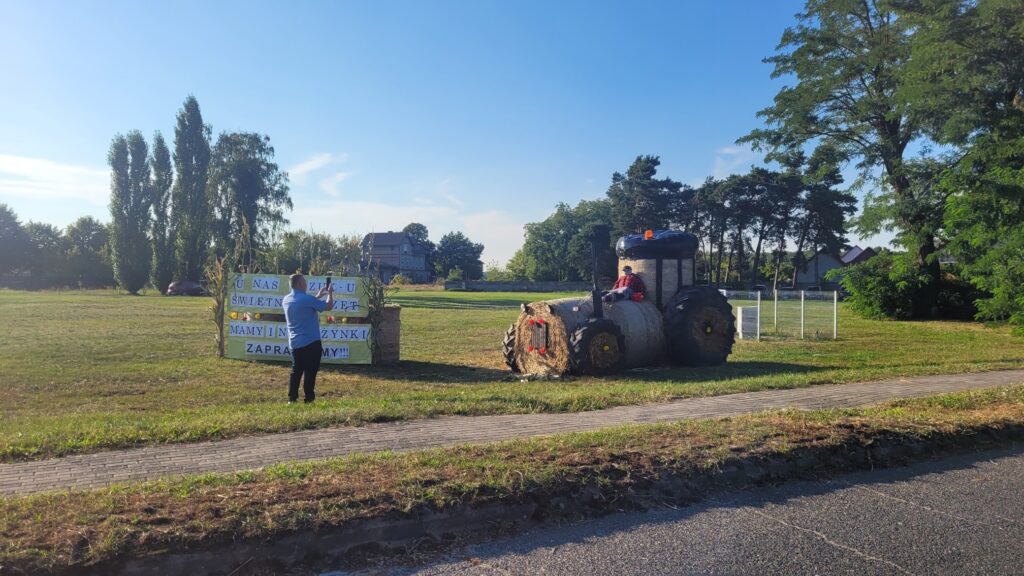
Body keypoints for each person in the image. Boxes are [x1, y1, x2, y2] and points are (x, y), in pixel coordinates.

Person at [282, 274, 334, 404]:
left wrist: (317, 296)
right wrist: (330, 293)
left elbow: (305, 306)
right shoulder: (307, 299)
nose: (306, 284)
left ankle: (292, 399)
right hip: (311, 342)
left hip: (295, 342)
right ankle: (308, 398)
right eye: (304, 282)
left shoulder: (286, 299)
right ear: (299, 284)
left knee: (296, 370)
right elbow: (328, 306)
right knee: (310, 371)